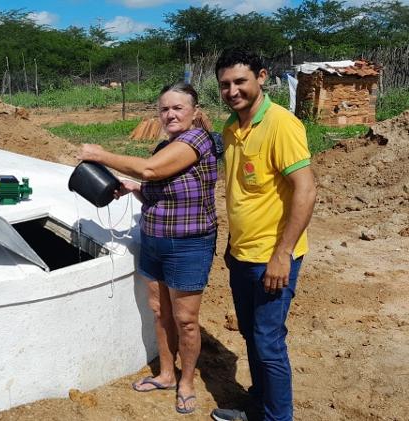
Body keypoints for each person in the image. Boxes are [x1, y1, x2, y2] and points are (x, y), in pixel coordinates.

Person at [77, 82, 218, 415]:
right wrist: (135, 189)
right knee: (160, 311)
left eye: (177, 108)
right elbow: (156, 186)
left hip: (188, 244)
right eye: (164, 108)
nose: (170, 114)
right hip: (154, 240)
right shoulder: (164, 145)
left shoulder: (196, 140)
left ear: (194, 112)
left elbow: (152, 170)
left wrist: (98, 154)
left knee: (185, 320)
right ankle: (167, 374)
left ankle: (186, 382)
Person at [210, 49, 317, 421]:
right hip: (241, 254)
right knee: (252, 335)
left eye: (240, 81)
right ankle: (257, 406)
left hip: (272, 258)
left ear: (262, 77)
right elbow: (242, 191)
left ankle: (278, 418)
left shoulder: (280, 124)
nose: (233, 90)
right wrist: (231, 244)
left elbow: (306, 190)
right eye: (225, 84)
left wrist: (282, 254)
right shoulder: (230, 127)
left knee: (268, 342)